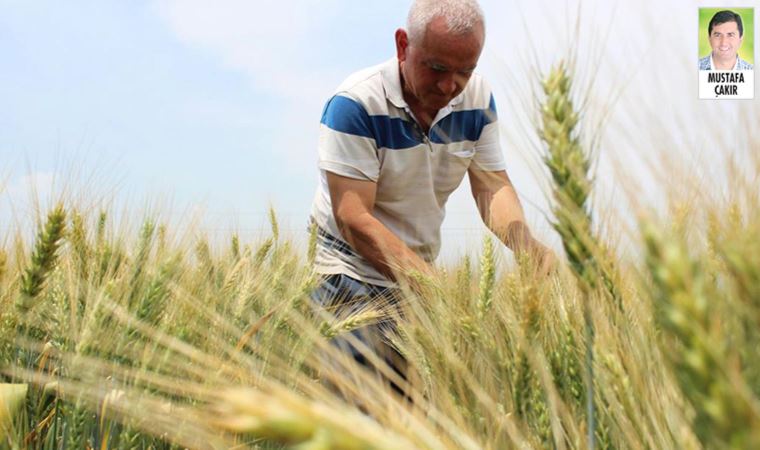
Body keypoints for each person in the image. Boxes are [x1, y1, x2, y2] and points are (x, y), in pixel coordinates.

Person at [309, 0, 555, 396]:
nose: (450, 86)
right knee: (360, 412)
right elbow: (353, 217)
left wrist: (525, 243)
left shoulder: (477, 99)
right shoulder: (355, 105)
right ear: (403, 45)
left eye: (466, 70)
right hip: (351, 273)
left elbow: (492, 184)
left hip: (418, 273)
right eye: (437, 68)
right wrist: (435, 287)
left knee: (416, 411)